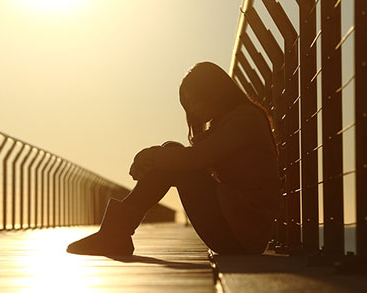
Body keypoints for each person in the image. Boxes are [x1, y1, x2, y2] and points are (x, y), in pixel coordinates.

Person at [67, 62, 281, 256]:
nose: (193, 110)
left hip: (243, 233)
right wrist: (157, 156)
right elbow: (193, 158)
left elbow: (196, 159)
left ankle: (113, 234)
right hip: (237, 226)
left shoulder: (244, 119)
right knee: (172, 153)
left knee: (174, 159)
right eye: (188, 106)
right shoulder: (228, 121)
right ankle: (115, 234)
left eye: (195, 101)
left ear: (213, 91)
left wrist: (151, 156)